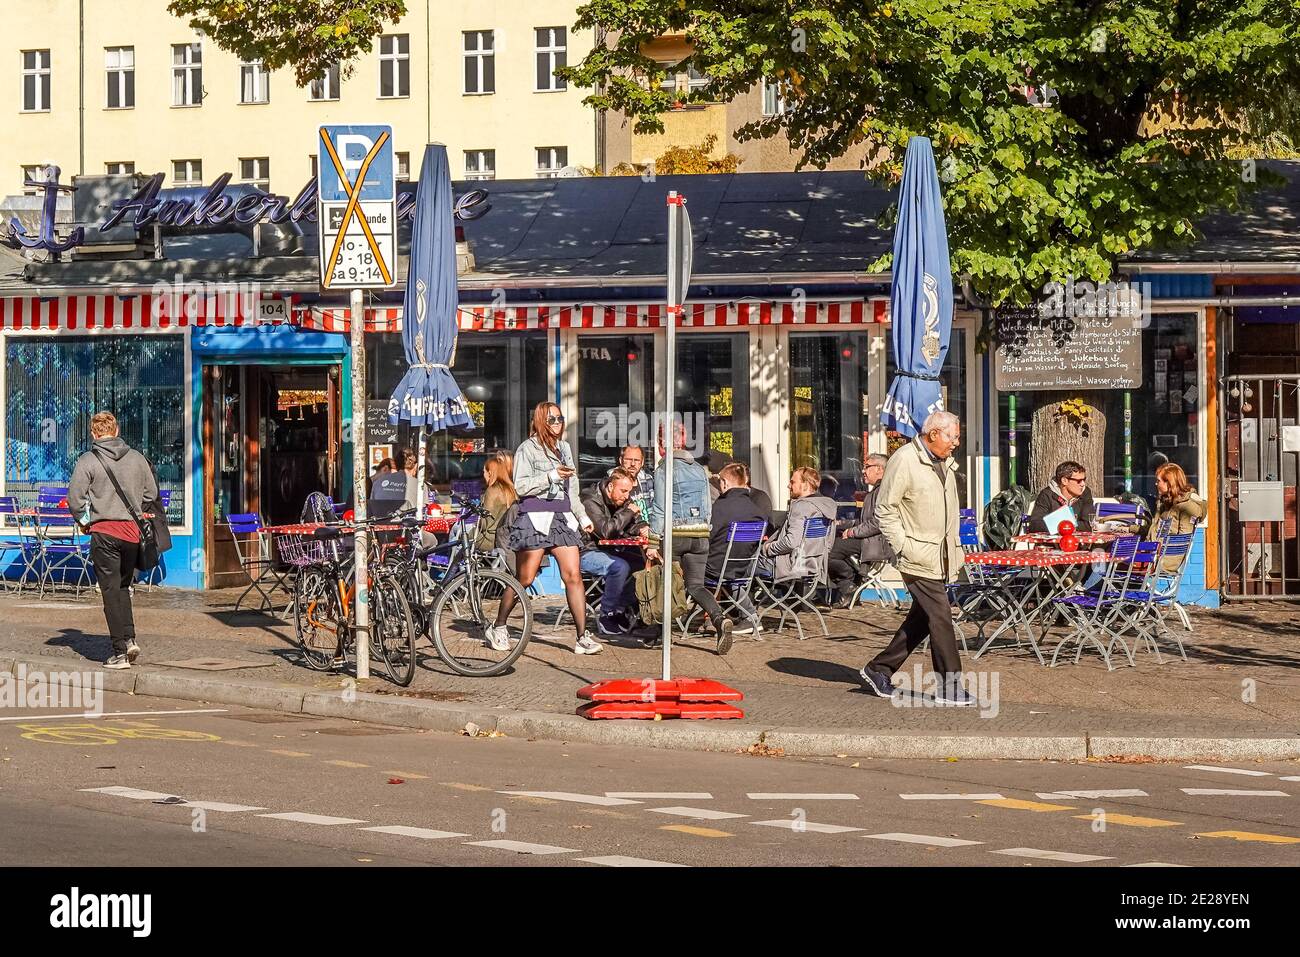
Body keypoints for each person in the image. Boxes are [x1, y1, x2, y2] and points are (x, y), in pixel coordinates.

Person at [858, 410, 974, 707]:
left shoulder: (944, 463)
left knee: (923, 618)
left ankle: (879, 668)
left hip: (939, 555)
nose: (956, 442)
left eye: (957, 436)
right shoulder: (905, 460)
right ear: (934, 434)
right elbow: (885, 508)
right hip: (917, 556)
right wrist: (904, 546)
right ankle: (950, 685)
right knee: (941, 615)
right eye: (953, 436)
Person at [492, 403, 600, 655]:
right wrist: (550, 476)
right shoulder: (526, 449)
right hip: (534, 516)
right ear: (540, 420)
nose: (557, 422)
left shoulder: (564, 448)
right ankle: (498, 625)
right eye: (551, 419)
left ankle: (582, 636)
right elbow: (520, 486)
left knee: (573, 575)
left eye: (560, 418)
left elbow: (572, 488)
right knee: (525, 578)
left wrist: (582, 516)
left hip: (561, 516)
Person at [67, 411, 159, 669]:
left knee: (109, 591)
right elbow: (151, 492)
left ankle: (119, 652)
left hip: (104, 533)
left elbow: (75, 499)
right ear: (116, 430)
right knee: (123, 588)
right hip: (131, 533)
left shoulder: (88, 460)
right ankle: (129, 639)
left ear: (94, 434)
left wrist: (85, 521)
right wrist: (133, 510)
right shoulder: (137, 458)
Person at [647, 421, 732, 654]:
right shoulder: (699, 470)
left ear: (661, 444)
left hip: (675, 535)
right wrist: (704, 529)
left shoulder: (664, 470)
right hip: (700, 535)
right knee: (696, 585)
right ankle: (719, 618)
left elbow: (660, 509)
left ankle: (660, 635)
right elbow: (708, 504)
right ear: (683, 441)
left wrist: (653, 541)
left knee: (666, 585)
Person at [580, 468, 656, 638]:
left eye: (629, 491)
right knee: (619, 567)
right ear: (610, 487)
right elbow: (605, 531)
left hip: (609, 549)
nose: (626, 496)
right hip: (585, 551)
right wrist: (629, 511)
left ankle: (621, 608)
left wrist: (642, 527)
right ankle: (607, 615)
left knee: (643, 564)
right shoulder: (590, 500)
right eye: (623, 491)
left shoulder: (623, 500)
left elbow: (633, 522)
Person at [707, 463, 771, 637]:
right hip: (744, 566)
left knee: (691, 566)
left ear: (725, 483)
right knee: (730, 577)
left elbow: (708, 537)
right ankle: (749, 617)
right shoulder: (757, 511)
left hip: (716, 567)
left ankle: (708, 616)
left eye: (720, 482)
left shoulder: (720, 507)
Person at [828, 454, 892, 605]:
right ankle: (852, 584)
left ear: (879, 469)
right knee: (831, 542)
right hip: (869, 538)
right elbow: (863, 521)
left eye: (867, 467)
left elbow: (878, 523)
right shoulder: (875, 491)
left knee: (827, 549)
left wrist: (852, 532)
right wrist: (841, 523)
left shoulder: (883, 491)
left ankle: (849, 582)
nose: (863, 471)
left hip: (877, 542)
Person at [760, 467, 837, 581]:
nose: (788, 486)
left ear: (805, 484)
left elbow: (791, 542)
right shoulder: (828, 507)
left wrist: (767, 548)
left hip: (790, 567)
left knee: (743, 566)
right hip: (815, 566)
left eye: (792, 482)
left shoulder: (801, 506)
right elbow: (829, 543)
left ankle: (743, 599)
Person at [1150, 462, 1206, 572]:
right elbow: (1153, 530)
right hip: (1152, 554)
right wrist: (1127, 529)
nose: (1156, 484)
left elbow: (1183, 540)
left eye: (1158, 481)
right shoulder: (1165, 504)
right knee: (1117, 555)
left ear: (1169, 483)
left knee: (1118, 562)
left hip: (1162, 560)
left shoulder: (1188, 507)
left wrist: (1155, 556)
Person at [1027, 461, 1095, 534]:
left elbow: (1088, 524)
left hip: (1079, 543)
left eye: (1084, 480)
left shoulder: (1085, 493)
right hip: (1052, 543)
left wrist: (1059, 524)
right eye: (1079, 481)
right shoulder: (1046, 495)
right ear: (1064, 480)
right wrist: (1065, 526)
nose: (1083, 484)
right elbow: (1035, 525)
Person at [476, 449, 517, 567]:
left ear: (490, 473)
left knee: (458, 533)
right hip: (508, 538)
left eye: (484, 471)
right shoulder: (513, 489)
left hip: (490, 539)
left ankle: (456, 574)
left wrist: (477, 521)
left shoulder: (492, 491)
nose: (483, 475)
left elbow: (485, 523)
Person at [610, 445, 654, 511]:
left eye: (636, 460)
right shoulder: (612, 480)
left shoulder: (648, 479)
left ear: (642, 463)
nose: (633, 464)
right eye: (628, 459)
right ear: (620, 460)